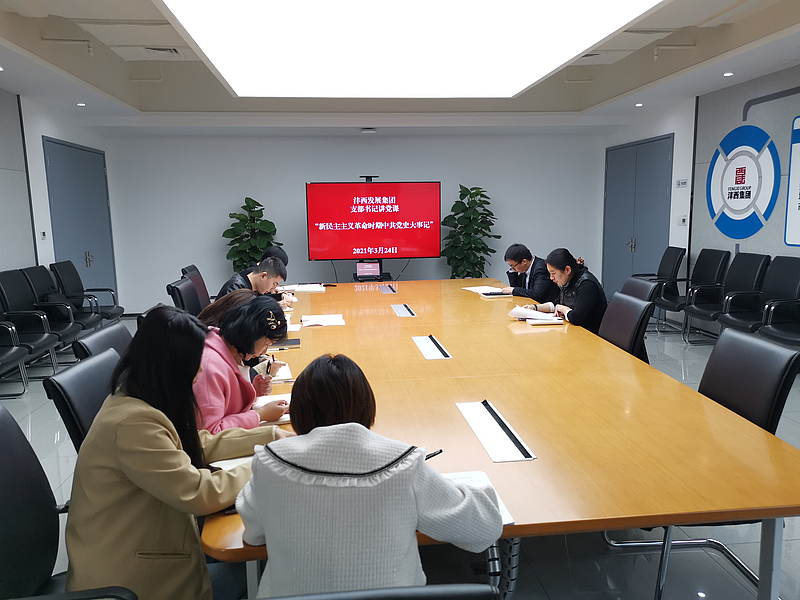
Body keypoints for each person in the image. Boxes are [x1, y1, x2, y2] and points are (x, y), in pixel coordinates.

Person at [64, 306, 291, 600]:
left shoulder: (141, 398)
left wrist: (270, 436)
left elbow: (196, 442)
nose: (200, 372)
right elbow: (198, 493)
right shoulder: (133, 423)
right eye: (194, 365)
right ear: (171, 367)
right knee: (265, 567)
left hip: (155, 546)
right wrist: (265, 462)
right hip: (131, 581)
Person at [236, 353, 504, 598]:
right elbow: (483, 529)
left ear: (298, 411)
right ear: (367, 406)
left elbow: (254, 534)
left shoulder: (270, 461)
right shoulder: (403, 463)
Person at [194, 295, 290, 432]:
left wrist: (252, 391)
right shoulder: (209, 367)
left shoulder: (228, 349)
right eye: (267, 344)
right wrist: (260, 414)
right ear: (253, 333)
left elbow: (225, 404)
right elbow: (210, 433)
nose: (265, 351)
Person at [524, 248, 607, 334]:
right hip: (575, 331)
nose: (551, 278)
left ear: (567, 270)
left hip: (590, 334)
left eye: (553, 273)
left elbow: (576, 317)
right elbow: (557, 303)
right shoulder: (569, 280)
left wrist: (564, 309)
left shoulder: (586, 284)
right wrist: (534, 308)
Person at [216, 256, 287, 300]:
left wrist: (279, 297)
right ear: (263, 276)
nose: (273, 288)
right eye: (274, 284)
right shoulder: (236, 288)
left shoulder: (255, 286)